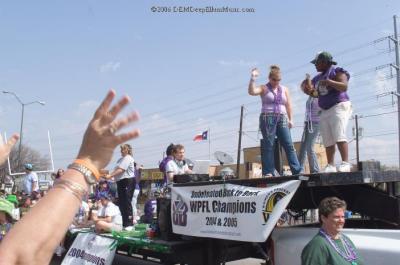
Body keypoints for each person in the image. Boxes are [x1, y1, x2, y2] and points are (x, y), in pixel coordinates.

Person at [0, 90, 140, 265]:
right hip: (93, 184)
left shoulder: (127, 160)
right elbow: (21, 256)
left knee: (127, 203)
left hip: (119, 185)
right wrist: (87, 163)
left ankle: (128, 223)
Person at [303, 51, 352, 173]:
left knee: (338, 134)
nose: (315, 65)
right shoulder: (318, 78)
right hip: (324, 109)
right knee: (327, 138)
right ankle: (330, 165)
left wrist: (330, 82)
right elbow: (315, 93)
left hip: (338, 106)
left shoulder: (337, 71)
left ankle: (345, 162)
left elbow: (344, 86)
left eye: (317, 63)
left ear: (324, 62)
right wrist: (307, 89)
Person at [248, 65, 301, 176]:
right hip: (268, 118)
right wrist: (253, 78)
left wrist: (291, 119)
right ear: (269, 78)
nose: (276, 82)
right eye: (274, 80)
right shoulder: (264, 88)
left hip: (282, 117)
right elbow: (252, 91)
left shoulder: (284, 89)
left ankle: (297, 170)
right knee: (269, 145)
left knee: (288, 144)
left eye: (278, 80)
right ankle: (268, 171)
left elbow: (288, 105)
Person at [301, 197, 364, 265]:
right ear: (323, 218)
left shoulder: (345, 240)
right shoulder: (317, 246)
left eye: (343, 217)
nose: (341, 221)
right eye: (336, 217)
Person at [106, 143, 136, 229]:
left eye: (124, 149)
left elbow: (121, 170)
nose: (122, 151)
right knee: (122, 203)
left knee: (127, 202)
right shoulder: (120, 159)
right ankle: (124, 223)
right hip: (120, 182)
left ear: (128, 150)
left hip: (128, 181)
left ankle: (129, 224)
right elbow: (115, 170)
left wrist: (110, 175)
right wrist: (109, 176)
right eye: (121, 149)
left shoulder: (128, 158)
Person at [298, 74, 321, 173]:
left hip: (315, 123)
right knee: (303, 147)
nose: (304, 92)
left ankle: (315, 170)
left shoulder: (317, 94)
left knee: (309, 147)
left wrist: (308, 80)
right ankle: (299, 169)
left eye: (305, 90)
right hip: (308, 123)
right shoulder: (310, 97)